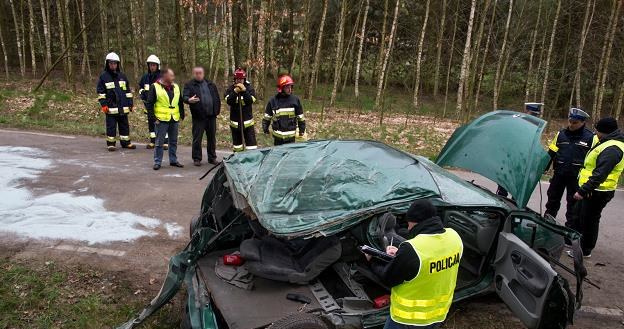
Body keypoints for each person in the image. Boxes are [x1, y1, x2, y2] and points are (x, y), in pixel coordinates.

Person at [368, 200, 463, 329]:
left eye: (409, 223)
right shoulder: (454, 237)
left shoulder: (412, 249)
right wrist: (401, 257)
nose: (408, 228)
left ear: (417, 222)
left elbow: (387, 278)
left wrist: (372, 260)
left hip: (407, 320)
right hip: (438, 314)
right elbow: (432, 259)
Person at [569, 117, 624, 258]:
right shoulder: (608, 142)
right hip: (594, 189)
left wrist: (583, 190)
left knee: (589, 221)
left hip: (597, 191)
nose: (596, 133)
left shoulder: (613, 148)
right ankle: (578, 244)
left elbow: (600, 174)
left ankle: (584, 250)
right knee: (580, 216)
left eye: (597, 130)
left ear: (604, 131)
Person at [545, 108, 596, 226]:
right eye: (570, 121)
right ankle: (547, 223)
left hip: (576, 177)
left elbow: (594, 159)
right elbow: (551, 153)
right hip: (559, 174)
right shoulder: (560, 134)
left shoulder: (591, 138)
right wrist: (543, 168)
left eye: (575, 123)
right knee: (552, 200)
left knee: (573, 205)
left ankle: (570, 230)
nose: (571, 124)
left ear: (583, 122)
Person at [497, 102, 544, 197]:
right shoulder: (517, 121)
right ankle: (501, 199)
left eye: (536, 115)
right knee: (503, 183)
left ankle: (514, 203)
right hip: (511, 156)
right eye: (533, 114)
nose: (535, 116)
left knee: (518, 185)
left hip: (523, 160)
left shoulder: (537, 126)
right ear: (527, 111)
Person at [146, 68, 185, 170]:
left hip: (174, 118)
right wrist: (153, 118)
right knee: (159, 142)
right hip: (161, 119)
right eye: (171, 76)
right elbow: (149, 104)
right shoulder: (155, 87)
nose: (173, 78)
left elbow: (180, 101)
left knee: (173, 141)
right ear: (164, 76)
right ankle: (157, 162)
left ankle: (173, 160)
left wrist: (182, 114)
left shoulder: (176, 86)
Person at [96, 52, 136, 151]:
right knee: (111, 126)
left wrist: (130, 104)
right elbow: (101, 93)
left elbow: (128, 92)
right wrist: (104, 105)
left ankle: (126, 142)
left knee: (124, 126)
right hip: (111, 107)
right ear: (107, 64)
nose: (113, 65)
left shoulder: (122, 76)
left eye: (115, 63)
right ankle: (111, 144)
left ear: (118, 64)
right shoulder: (103, 77)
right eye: (111, 63)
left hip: (123, 107)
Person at [183, 66, 221, 166]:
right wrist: (188, 100)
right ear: (193, 74)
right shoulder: (190, 85)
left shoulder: (210, 84)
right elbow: (185, 96)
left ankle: (212, 158)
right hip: (198, 117)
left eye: (200, 73)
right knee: (197, 138)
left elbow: (216, 97)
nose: (198, 75)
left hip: (211, 116)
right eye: (196, 73)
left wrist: (216, 111)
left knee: (212, 138)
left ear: (203, 74)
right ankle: (197, 158)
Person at [262, 75, 305, 145]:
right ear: (281, 88)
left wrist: (302, 130)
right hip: (277, 138)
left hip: (290, 138)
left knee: (289, 155)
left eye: (291, 86)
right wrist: (265, 129)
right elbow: (267, 117)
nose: (290, 89)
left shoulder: (295, 100)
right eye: (287, 87)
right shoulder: (273, 101)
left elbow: (300, 117)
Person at [224, 68, 258, 152]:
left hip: (248, 123)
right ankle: (238, 162)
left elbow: (250, 101)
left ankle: (252, 162)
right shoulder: (230, 89)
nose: (239, 81)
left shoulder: (249, 89)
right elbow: (229, 101)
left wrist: (244, 91)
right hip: (235, 123)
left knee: (251, 146)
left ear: (244, 79)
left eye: (241, 79)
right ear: (235, 79)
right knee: (237, 146)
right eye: (237, 79)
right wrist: (235, 92)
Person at [138, 54, 167, 149]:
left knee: (162, 124)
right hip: (149, 106)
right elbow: (141, 88)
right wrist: (142, 94)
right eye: (150, 65)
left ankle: (165, 142)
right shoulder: (145, 77)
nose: (152, 67)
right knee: (151, 123)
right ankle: (153, 141)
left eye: (154, 65)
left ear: (157, 66)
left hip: (160, 106)